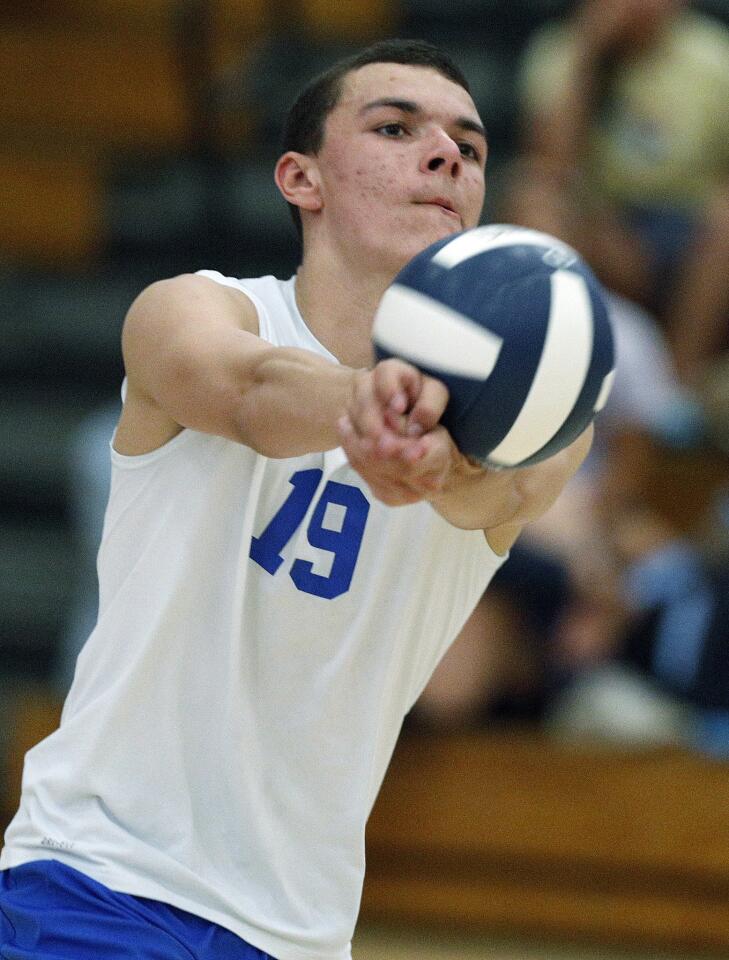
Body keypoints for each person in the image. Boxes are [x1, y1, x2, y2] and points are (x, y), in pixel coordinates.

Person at [0, 39, 592, 960]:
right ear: (299, 178)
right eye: (396, 128)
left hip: (296, 934)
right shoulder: (196, 308)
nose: (444, 155)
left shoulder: (539, 409)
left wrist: (439, 458)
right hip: (94, 881)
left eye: (468, 149)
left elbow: (490, 492)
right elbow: (244, 390)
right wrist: (365, 406)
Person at [503, 0, 729, 375]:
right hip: (597, 217)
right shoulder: (564, 49)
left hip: (687, 230)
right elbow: (550, 166)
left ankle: (671, 400)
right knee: (531, 195)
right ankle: (554, 374)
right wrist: (590, 55)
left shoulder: (714, 56)